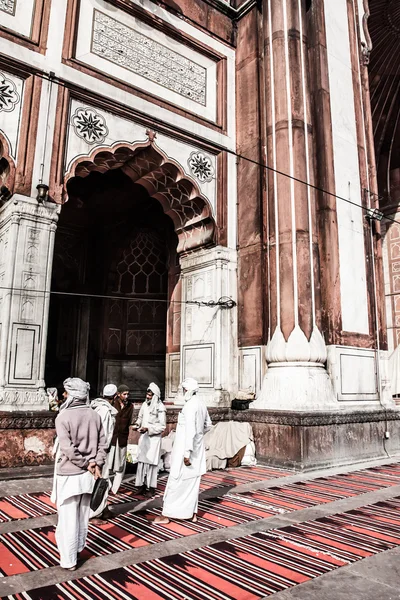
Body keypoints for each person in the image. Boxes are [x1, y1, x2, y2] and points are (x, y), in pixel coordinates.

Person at [52, 378, 107, 570]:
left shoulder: (63, 417)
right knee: (82, 516)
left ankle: (69, 561)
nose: (63, 396)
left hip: (70, 474)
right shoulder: (95, 415)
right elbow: (103, 445)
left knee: (67, 519)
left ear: (72, 395)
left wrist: (85, 463)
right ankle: (76, 550)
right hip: (88, 475)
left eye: (65, 393)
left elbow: (68, 449)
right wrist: (95, 463)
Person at [154, 378, 212, 524]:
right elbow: (208, 425)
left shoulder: (190, 406)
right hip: (196, 451)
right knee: (191, 484)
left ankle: (166, 514)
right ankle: (191, 514)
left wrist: (187, 452)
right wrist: (198, 440)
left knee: (175, 481)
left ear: (187, 391)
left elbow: (191, 430)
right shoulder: (201, 404)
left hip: (185, 452)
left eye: (184, 390)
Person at [89, 383, 118, 520]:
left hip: (95, 449)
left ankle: (103, 508)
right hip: (101, 450)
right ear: (115, 396)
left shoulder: (95, 407)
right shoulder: (105, 411)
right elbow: (104, 433)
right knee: (101, 479)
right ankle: (96, 512)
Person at [134, 382, 166, 497]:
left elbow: (162, 426)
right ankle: (140, 486)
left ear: (155, 396)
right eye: (147, 395)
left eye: (150, 395)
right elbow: (140, 417)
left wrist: (149, 429)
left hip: (153, 440)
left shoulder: (160, 408)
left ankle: (151, 488)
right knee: (141, 462)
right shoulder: (144, 405)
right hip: (144, 438)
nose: (148, 397)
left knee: (152, 464)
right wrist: (137, 425)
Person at [109, 384, 133, 494]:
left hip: (122, 438)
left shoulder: (130, 406)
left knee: (120, 465)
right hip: (112, 438)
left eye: (128, 394)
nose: (126, 396)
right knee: (108, 464)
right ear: (118, 394)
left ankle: (115, 489)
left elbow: (128, 422)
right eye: (124, 394)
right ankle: (107, 485)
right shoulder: (113, 404)